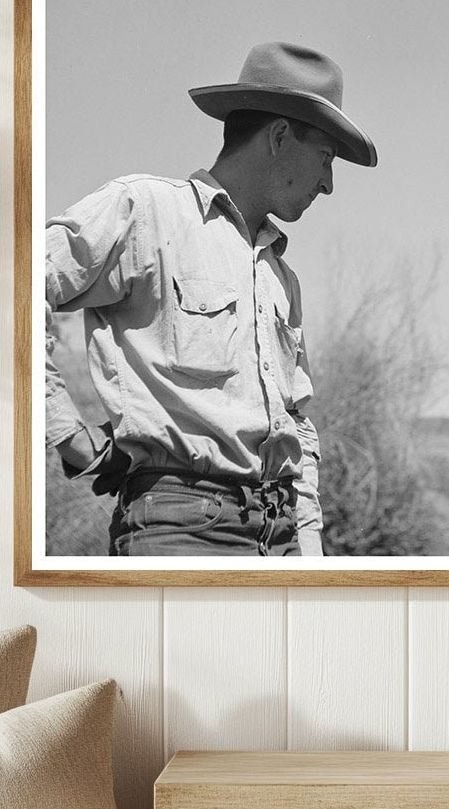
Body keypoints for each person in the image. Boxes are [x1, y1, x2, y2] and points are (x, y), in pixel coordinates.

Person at [44, 41, 378, 556]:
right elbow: (8, 289)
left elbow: (297, 422)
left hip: (284, 536)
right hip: (181, 531)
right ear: (280, 136)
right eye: (327, 157)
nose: (329, 184)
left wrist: (308, 546)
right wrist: (66, 433)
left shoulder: (280, 275)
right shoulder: (146, 211)